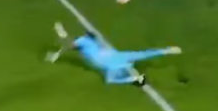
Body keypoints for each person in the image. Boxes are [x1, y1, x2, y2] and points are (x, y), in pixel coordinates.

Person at [46, 22, 181, 85]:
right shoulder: (91, 41)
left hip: (107, 62)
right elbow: (70, 46)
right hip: (115, 56)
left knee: (110, 80)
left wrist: (61, 34)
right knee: (142, 54)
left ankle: (134, 78)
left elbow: (69, 44)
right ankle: (168, 50)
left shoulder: (83, 41)